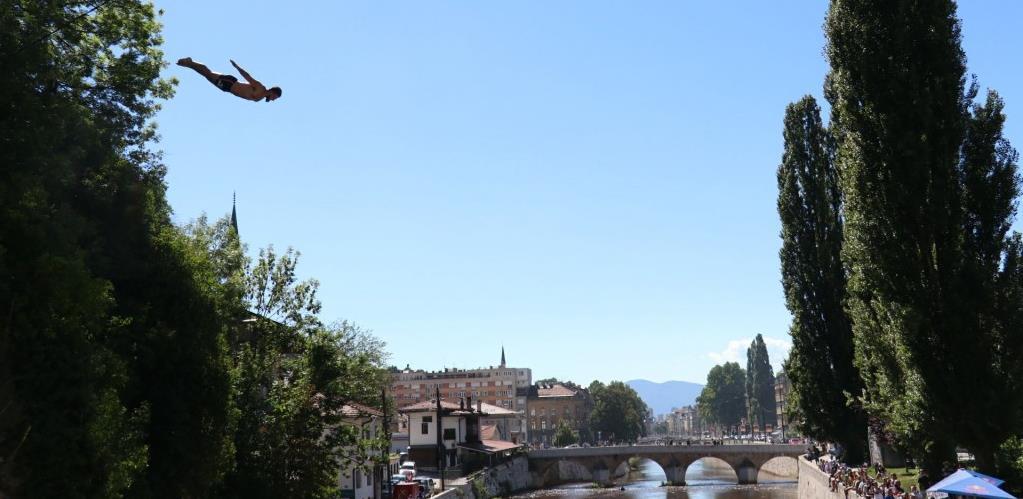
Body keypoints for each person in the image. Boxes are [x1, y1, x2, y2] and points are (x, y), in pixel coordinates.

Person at [177, 57, 282, 102]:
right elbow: (247, 76)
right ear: (272, 92)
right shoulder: (260, 88)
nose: (273, 100)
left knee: (207, 75)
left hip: (227, 88)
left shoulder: (259, 98)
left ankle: (190, 64)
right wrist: (237, 67)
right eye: (275, 97)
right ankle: (190, 62)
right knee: (208, 73)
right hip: (230, 83)